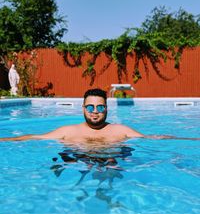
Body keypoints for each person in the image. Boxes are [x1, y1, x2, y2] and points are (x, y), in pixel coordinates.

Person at [0, 88, 199, 142]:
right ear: (83, 109)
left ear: (107, 109)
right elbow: (32, 137)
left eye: (100, 108)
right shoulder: (68, 131)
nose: (95, 112)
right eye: (90, 107)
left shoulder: (120, 130)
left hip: (112, 163)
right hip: (78, 161)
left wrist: (191, 138)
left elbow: (153, 138)